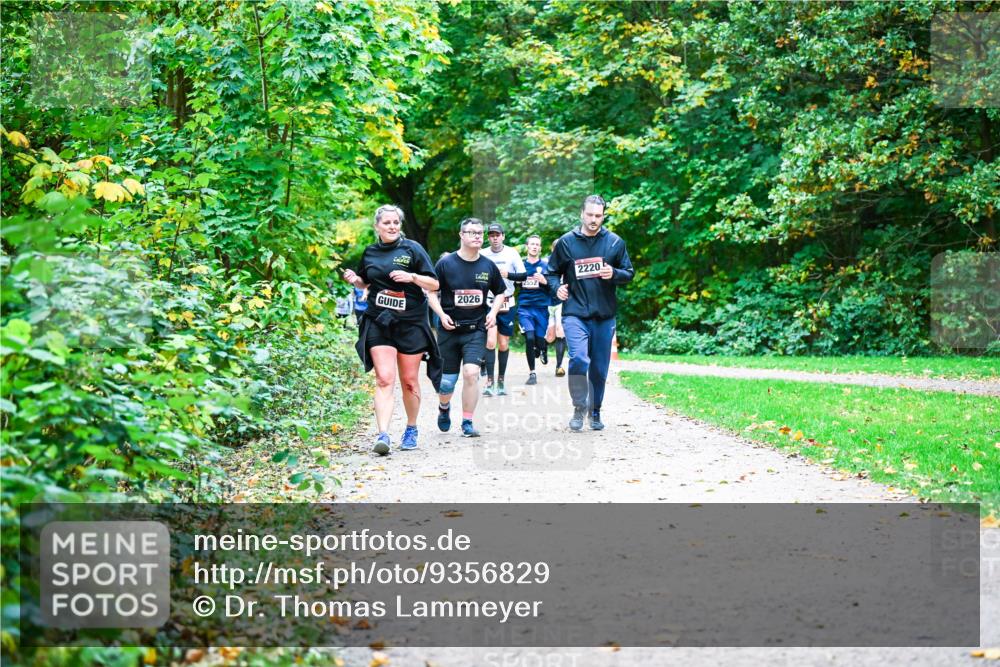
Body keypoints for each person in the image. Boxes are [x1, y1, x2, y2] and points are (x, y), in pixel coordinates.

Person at [343, 205, 440, 455]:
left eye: (396, 222)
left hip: (410, 322)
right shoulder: (371, 252)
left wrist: (413, 278)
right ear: (377, 226)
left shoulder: (412, 249)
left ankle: (411, 428)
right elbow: (366, 280)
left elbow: (434, 282)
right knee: (384, 378)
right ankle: (383, 434)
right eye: (387, 223)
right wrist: (356, 279)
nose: (392, 226)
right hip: (379, 319)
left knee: (409, 381)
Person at [547, 195, 634, 431]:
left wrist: (613, 273)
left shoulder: (615, 243)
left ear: (603, 216)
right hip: (575, 313)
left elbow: (629, 272)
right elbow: (551, 272)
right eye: (590, 215)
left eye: (598, 216)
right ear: (581, 214)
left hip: (604, 316)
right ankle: (578, 407)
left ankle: (595, 412)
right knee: (578, 359)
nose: (594, 220)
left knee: (598, 367)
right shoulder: (566, 243)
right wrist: (558, 288)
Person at [427, 218, 507, 438]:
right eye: (472, 232)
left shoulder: (488, 266)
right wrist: (441, 315)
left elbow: (500, 292)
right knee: (446, 384)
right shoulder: (445, 264)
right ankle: (444, 407)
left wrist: (492, 312)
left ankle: (467, 422)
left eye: (480, 233)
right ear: (461, 235)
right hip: (449, 330)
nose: (477, 236)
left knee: (471, 373)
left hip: (475, 329)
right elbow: (431, 292)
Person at [481, 222, 525, 396]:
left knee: (504, 343)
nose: (494, 238)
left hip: (507, 301)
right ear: (488, 238)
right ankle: (489, 382)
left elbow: (523, 276)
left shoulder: (512, 253)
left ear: (503, 236)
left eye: (497, 235)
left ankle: (501, 381)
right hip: (489, 302)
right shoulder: (483, 254)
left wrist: (507, 274)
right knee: (490, 342)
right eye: (491, 235)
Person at [511, 235, 552, 385]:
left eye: (537, 245)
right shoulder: (520, 266)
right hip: (525, 307)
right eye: (532, 244)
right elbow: (513, 285)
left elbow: (553, 288)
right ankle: (532, 373)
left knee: (540, 340)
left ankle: (543, 347)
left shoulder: (547, 266)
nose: (534, 247)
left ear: (540, 248)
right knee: (529, 338)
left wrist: (545, 282)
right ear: (527, 246)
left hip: (541, 308)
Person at [545, 240, 567, 377]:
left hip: (561, 302)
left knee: (560, 332)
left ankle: (559, 366)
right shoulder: (545, 262)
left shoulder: (568, 263)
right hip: (547, 302)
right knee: (549, 336)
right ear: (553, 249)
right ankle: (542, 350)